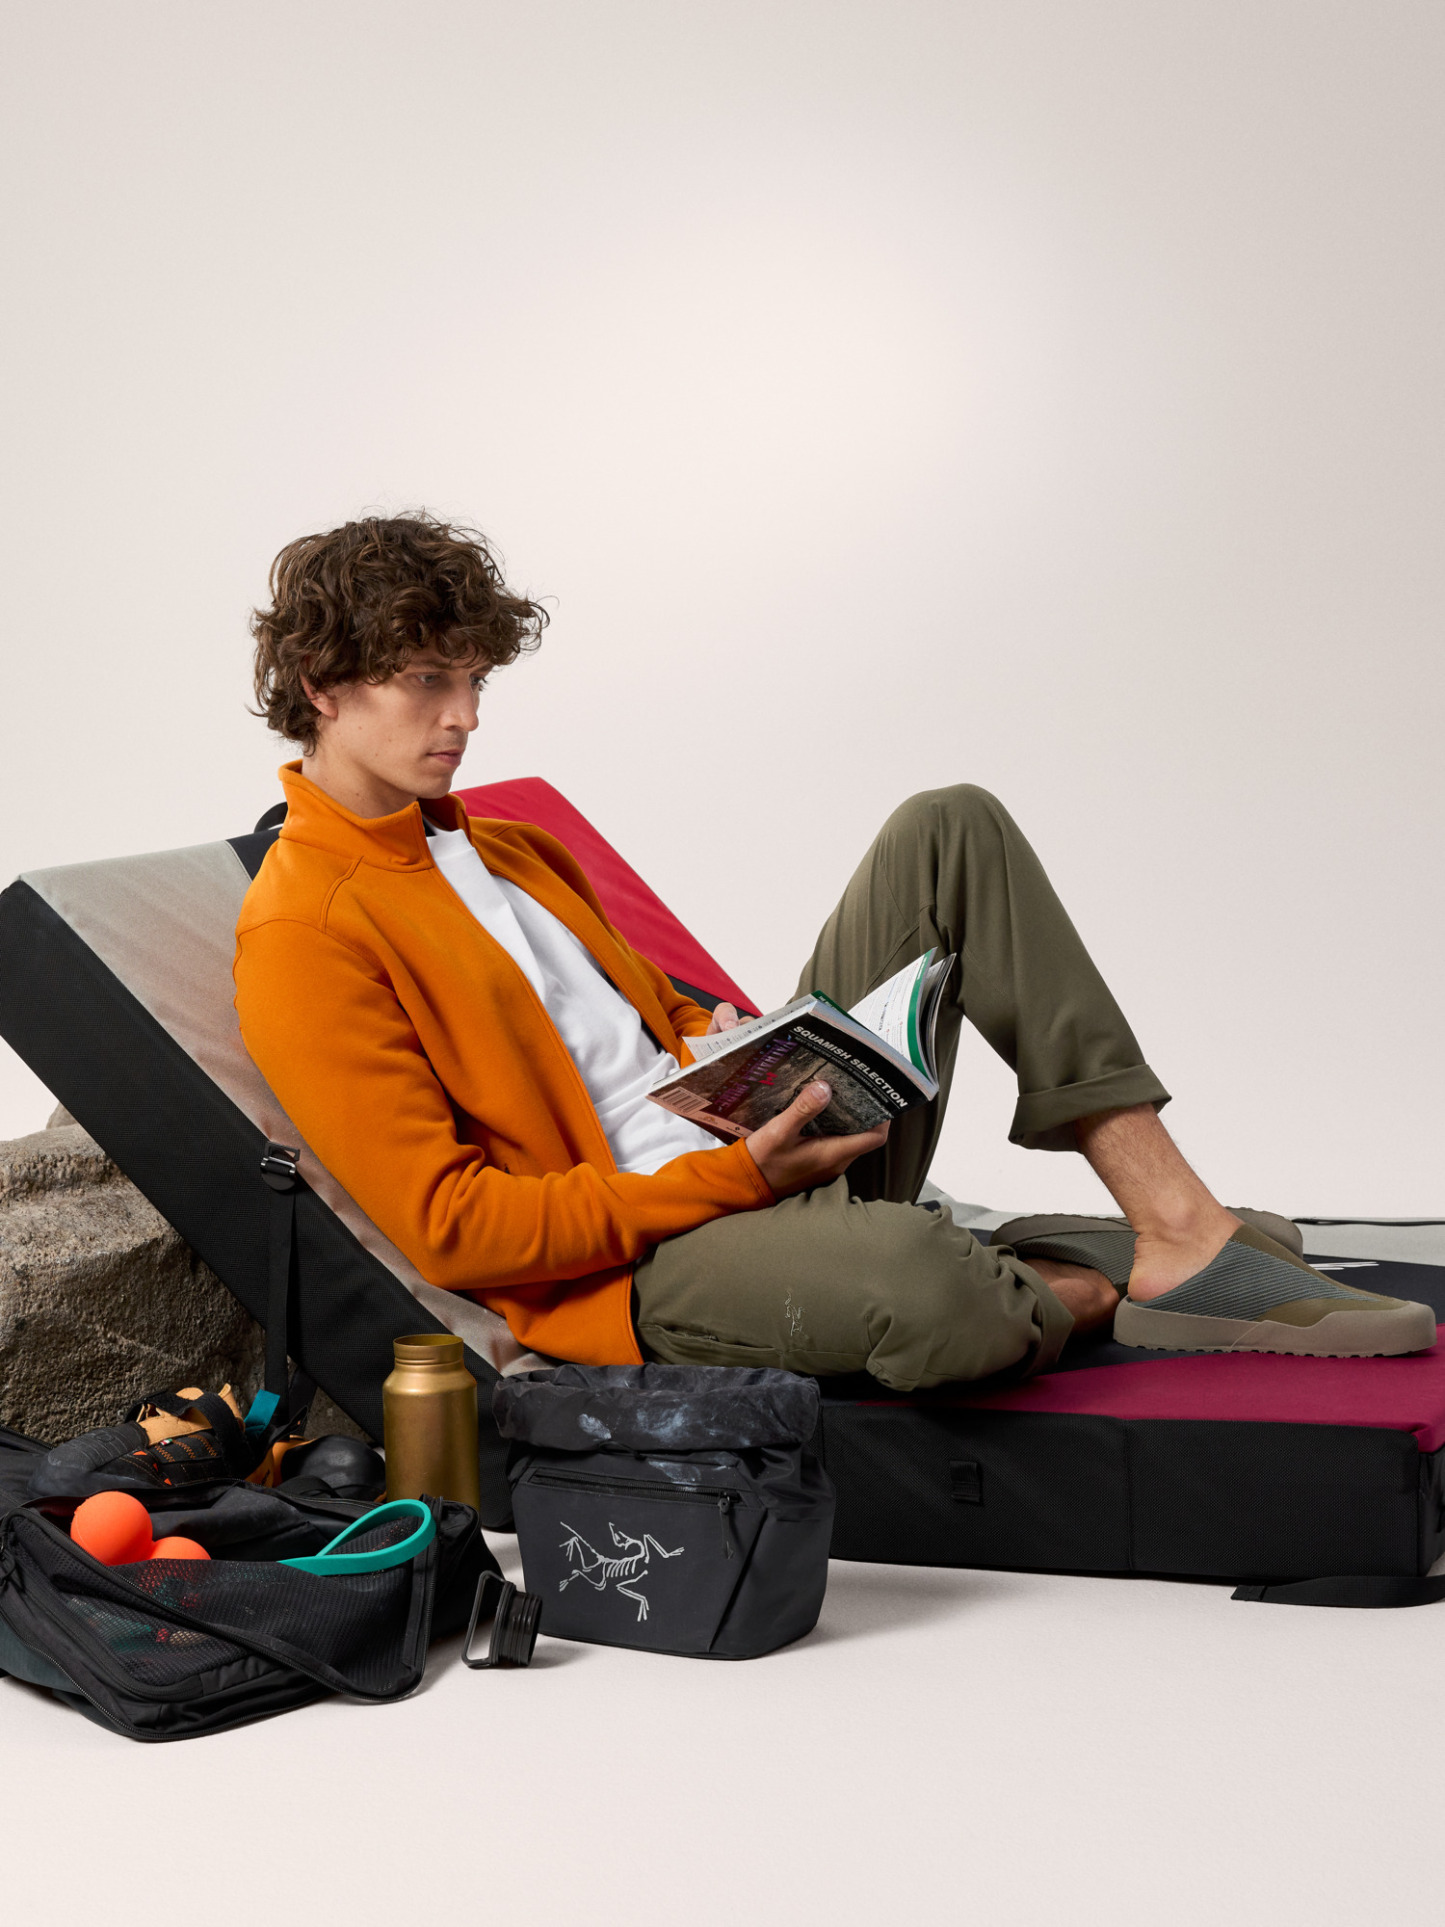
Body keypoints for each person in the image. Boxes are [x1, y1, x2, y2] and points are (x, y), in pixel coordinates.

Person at [233, 514, 1433, 1389]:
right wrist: (740, 1179)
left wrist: (727, 1047)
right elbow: (453, 1226)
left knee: (949, 825)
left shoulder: (503, 844)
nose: (465, 715)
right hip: (647, 1262)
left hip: (747, 1145)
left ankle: (1167, 1219)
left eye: (475, 679)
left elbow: (648, 1022)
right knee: (924, 1282)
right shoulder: (303, 931)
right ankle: (1065, 1277)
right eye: (427, 682)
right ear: (321, 686)